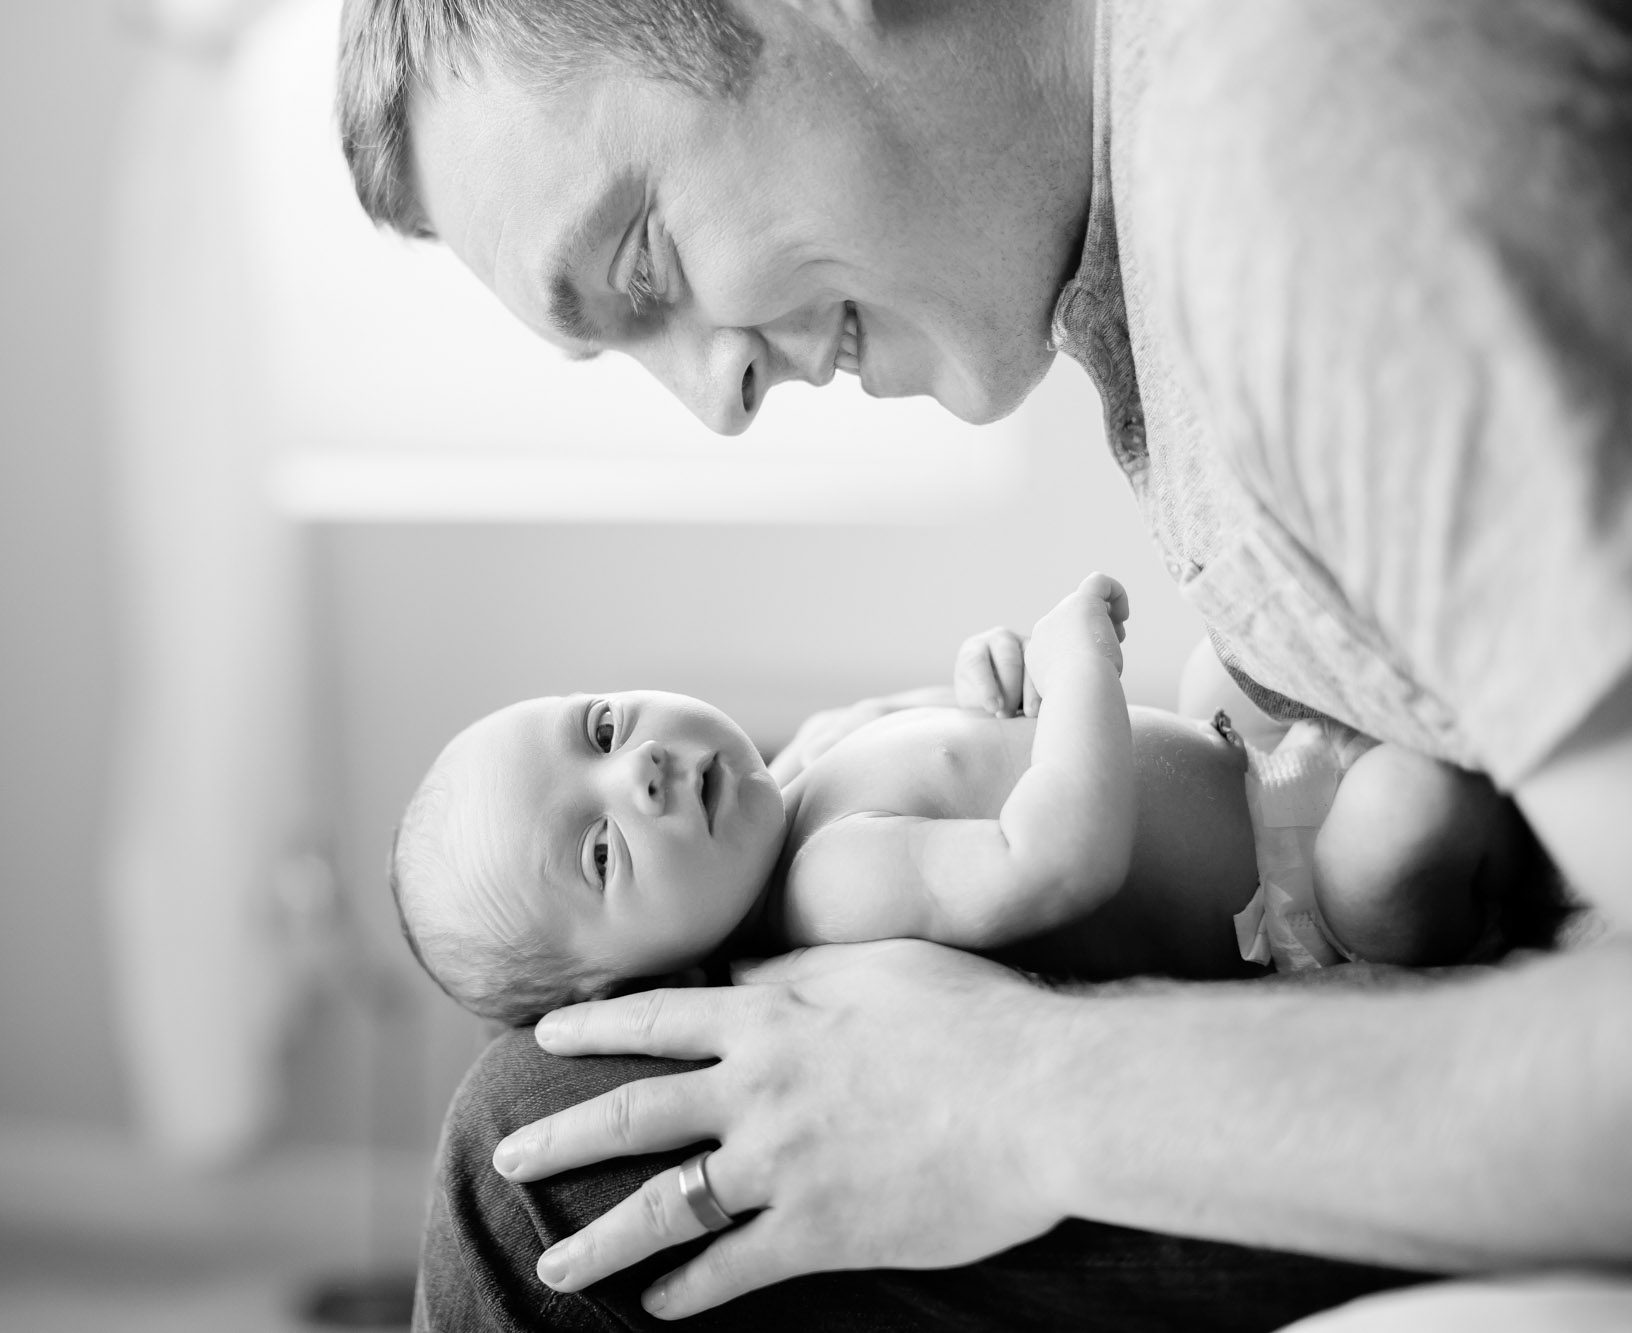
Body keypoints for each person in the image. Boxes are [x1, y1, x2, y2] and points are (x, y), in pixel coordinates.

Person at [336, 0, 1632, 1327]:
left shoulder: (1283, 186)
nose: (711, 404)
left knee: (544, 1165)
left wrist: (1023, 1092)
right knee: (578, 1118)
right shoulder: (1157, 233)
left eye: (647, 258)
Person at [394, 575, 1535, 1029]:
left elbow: (971, 743)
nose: (633, 769)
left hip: (1248, 767)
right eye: (599, 851)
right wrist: (1082, 668)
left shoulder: (807, 770)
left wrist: (993, 677)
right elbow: (1052, 857)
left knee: (1224, 653)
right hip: (1291, 904)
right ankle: (1527, 866)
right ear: (635, 978)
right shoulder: (827, 887)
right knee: (1404, 826)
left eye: (599, 729)